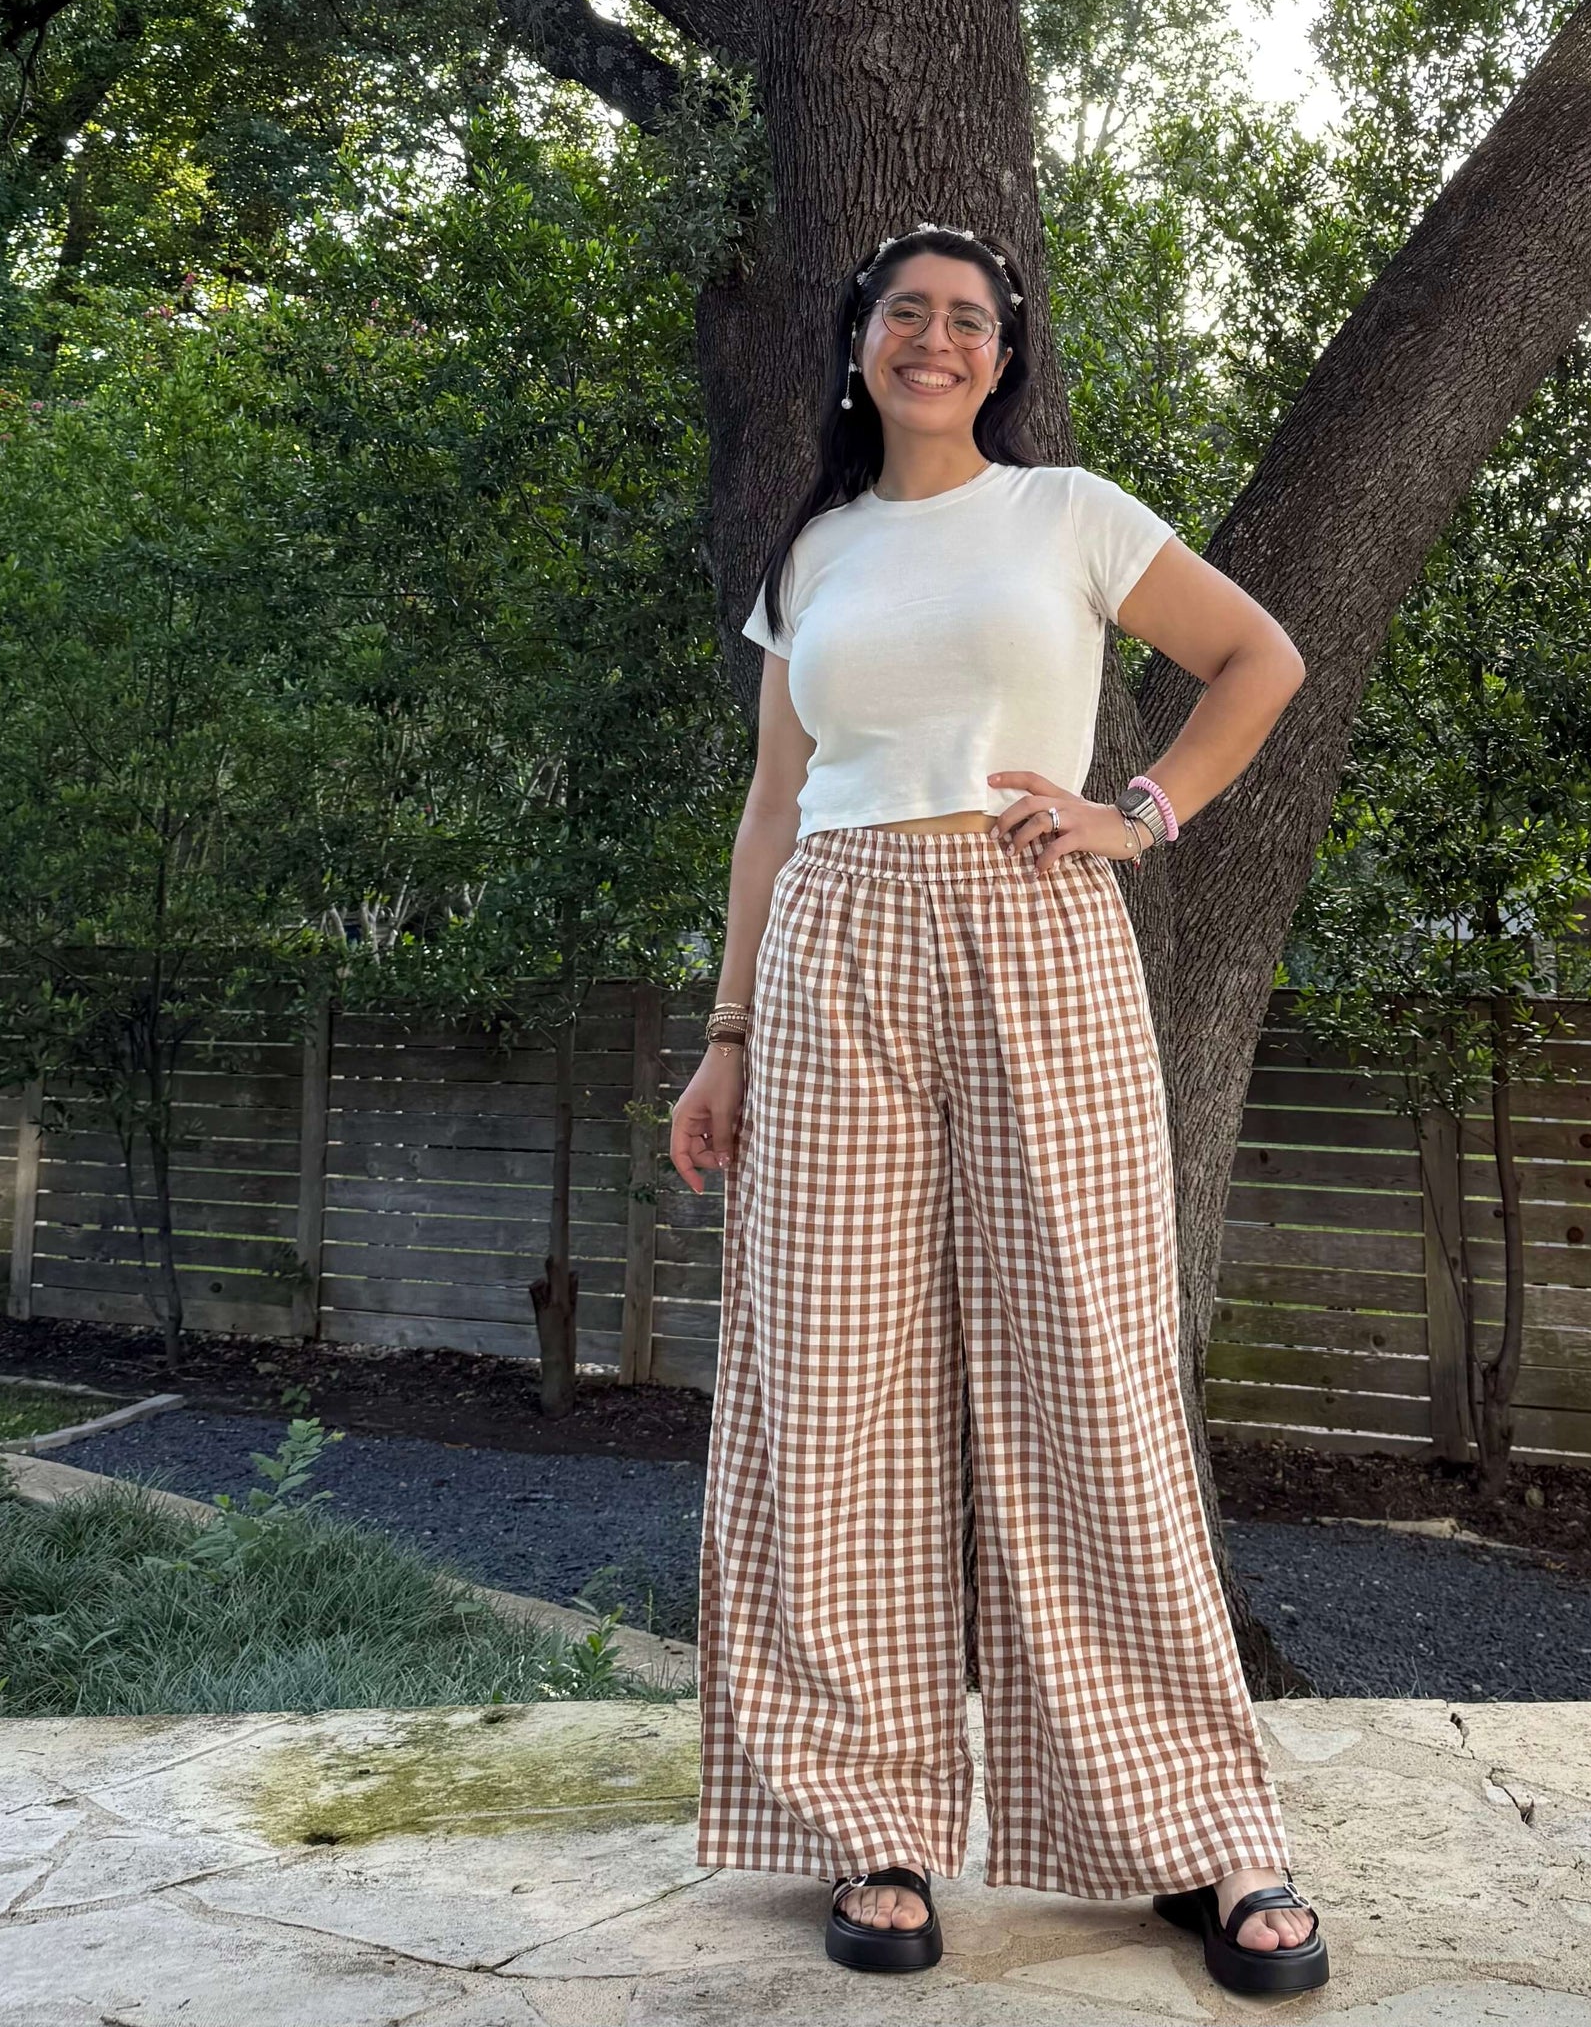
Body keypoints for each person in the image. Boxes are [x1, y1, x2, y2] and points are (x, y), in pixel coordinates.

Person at [667, 218, 1325, 1999]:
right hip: (833, 958)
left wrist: (1142, 813)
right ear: (859, 341)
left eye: (969, 317)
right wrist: (726, 1035)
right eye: (907, 312)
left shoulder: (1071, 515)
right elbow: (772, 807)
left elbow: (1259, 658)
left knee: (1090, 1378)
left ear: (1003, 355)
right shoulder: (812, 553)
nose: (935, 338)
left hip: (1036, 931)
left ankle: (1190, 1828)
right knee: (835, 1391)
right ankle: (868, 1822)